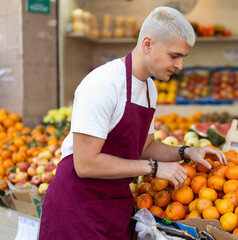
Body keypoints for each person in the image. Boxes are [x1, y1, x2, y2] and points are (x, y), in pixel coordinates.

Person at [39, 6, 226, 239]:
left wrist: (188, 151)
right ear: (147, 44)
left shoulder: (149, 89)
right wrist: (154, 168)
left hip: (114, 208)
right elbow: (85, 164)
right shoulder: (104, 83)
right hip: (77, 208)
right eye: (174, 55)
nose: (180, 66)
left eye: (182, 57)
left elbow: (146, 148)